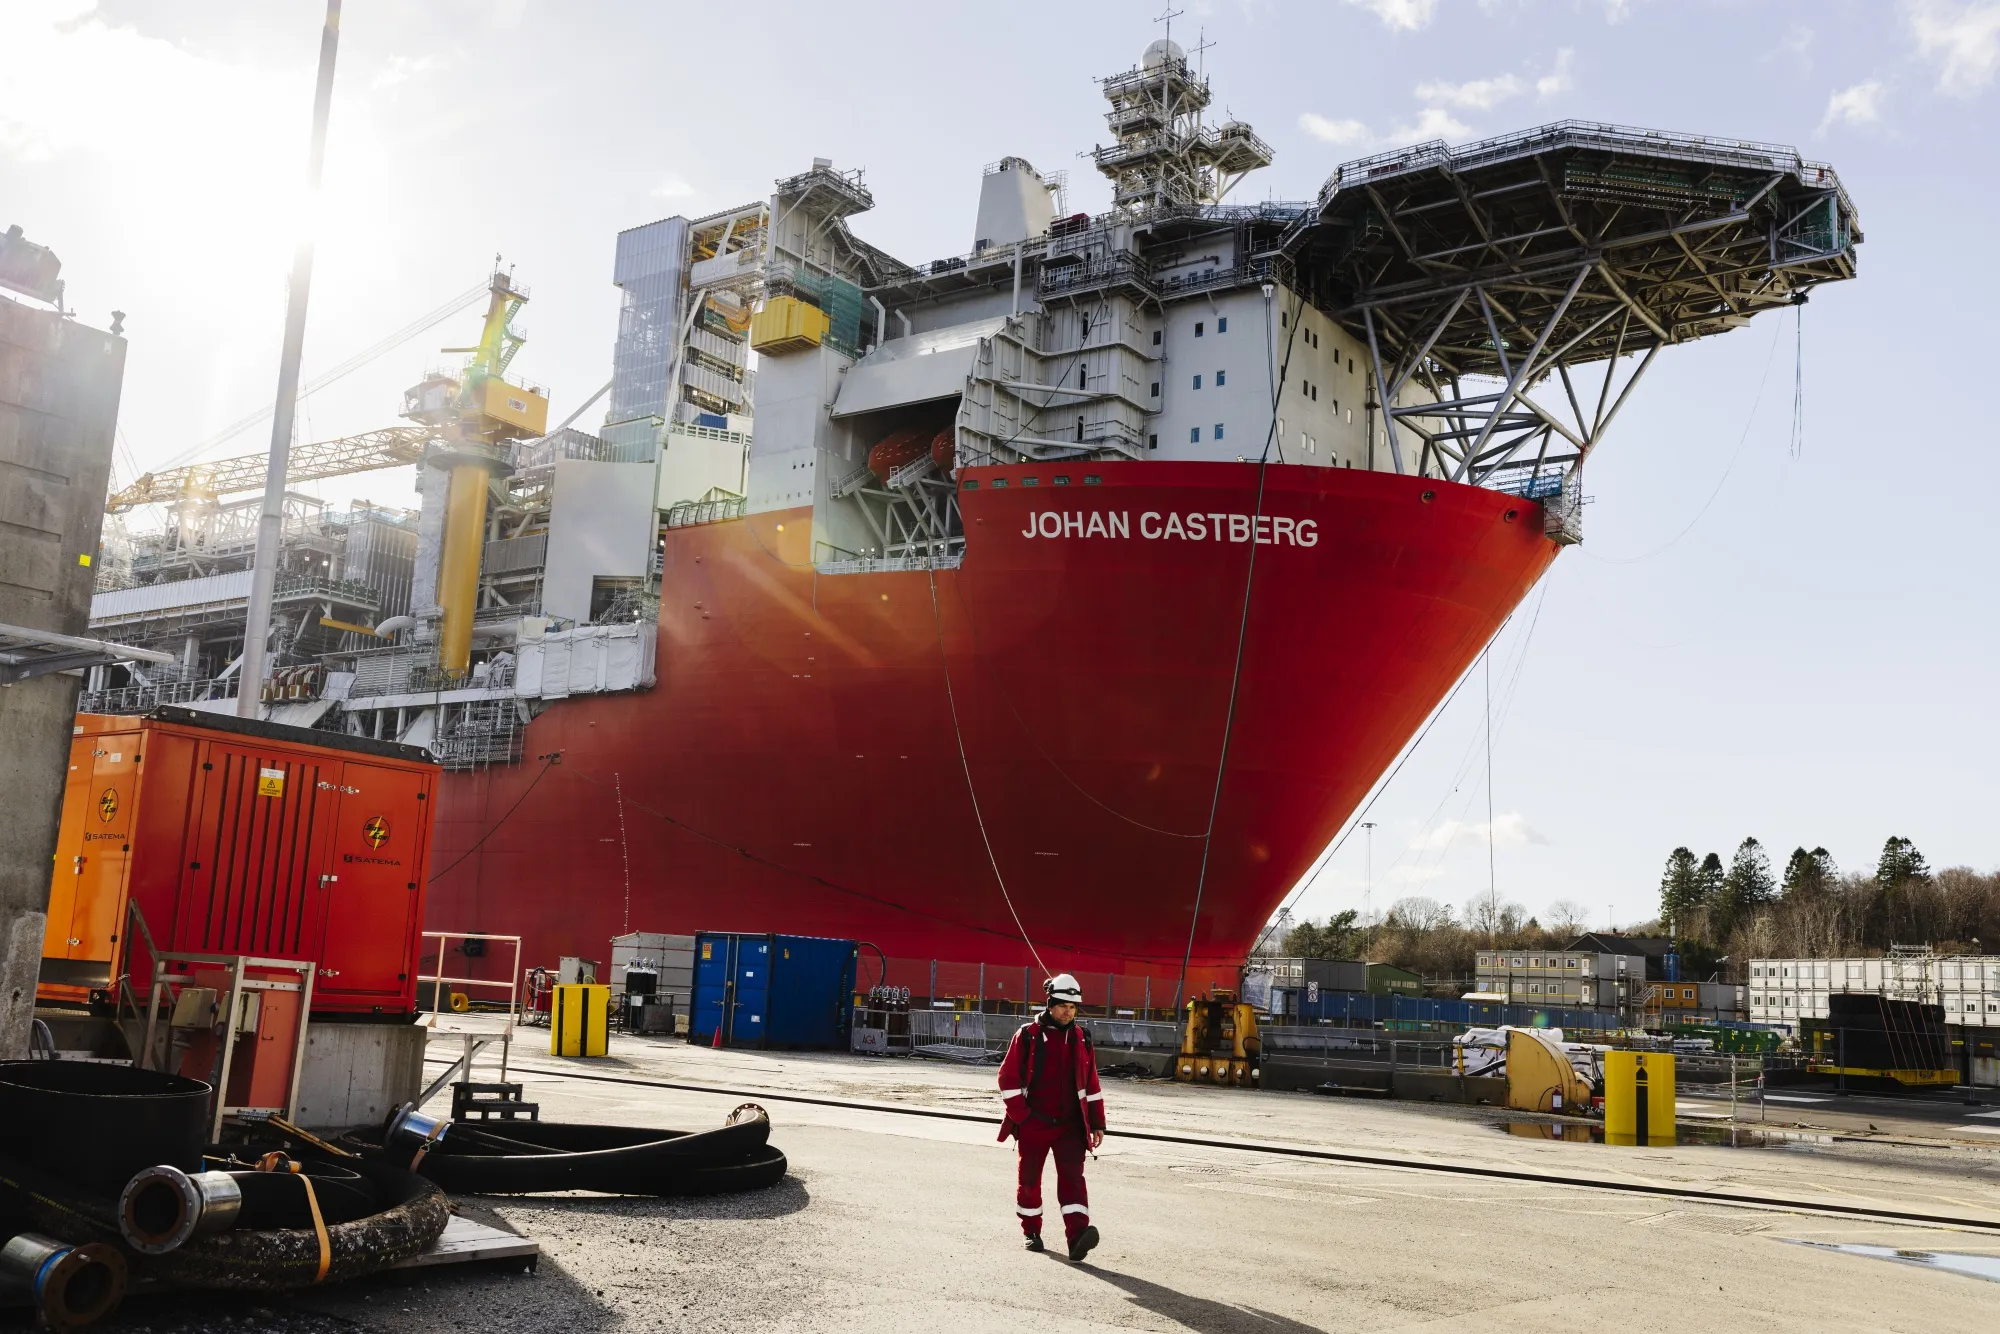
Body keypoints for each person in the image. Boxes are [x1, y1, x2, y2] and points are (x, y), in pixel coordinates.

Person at [997, 973, 1105, 1261]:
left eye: (1072, 1006)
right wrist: (1023, 1117)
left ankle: (1078, 1236)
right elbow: (1007, 1079)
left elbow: (1091, 1084)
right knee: (1030, 1181)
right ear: (1050, 1004)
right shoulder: (1028, 1036)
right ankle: (1031, 1231)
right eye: (1062, 1006)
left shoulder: (1082, 1038)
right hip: (1036, 1122)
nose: (1068, 1011)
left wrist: (1097, 1123)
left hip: (1070, 1125)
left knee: (1073, 1179)